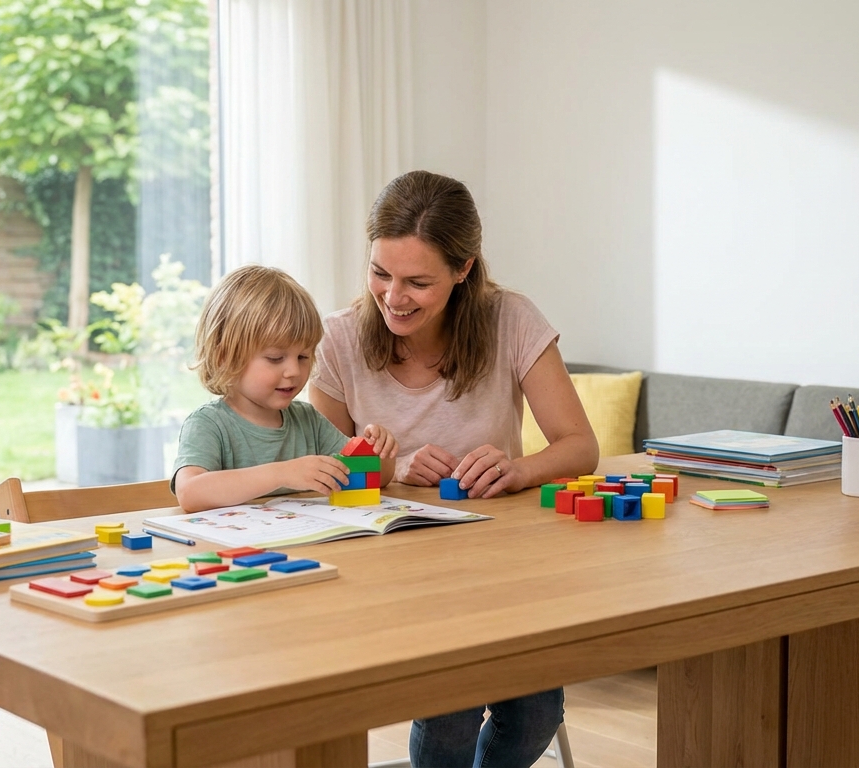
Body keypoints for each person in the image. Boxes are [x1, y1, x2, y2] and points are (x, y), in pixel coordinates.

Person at [310, 170, 598, 767]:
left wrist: (519, 470)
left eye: (418, 281)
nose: (393, 297)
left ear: (463, 269)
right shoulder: (337, 339)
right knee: (452, 709)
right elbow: (324, 465)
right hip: (392, 572)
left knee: (537, 712)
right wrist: (393, 465)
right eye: (380, 273)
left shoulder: (511, 319)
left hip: (501, 565)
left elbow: (578, 446)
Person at [172, 265, 397, 513]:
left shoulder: (308, 421)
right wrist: (281, 473)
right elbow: (189, 493)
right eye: (275, 358)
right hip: (237, 549)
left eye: (302, 356)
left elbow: (376, 479)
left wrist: (379, 453)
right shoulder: (209, 424)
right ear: (225, 356)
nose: (294, 371)